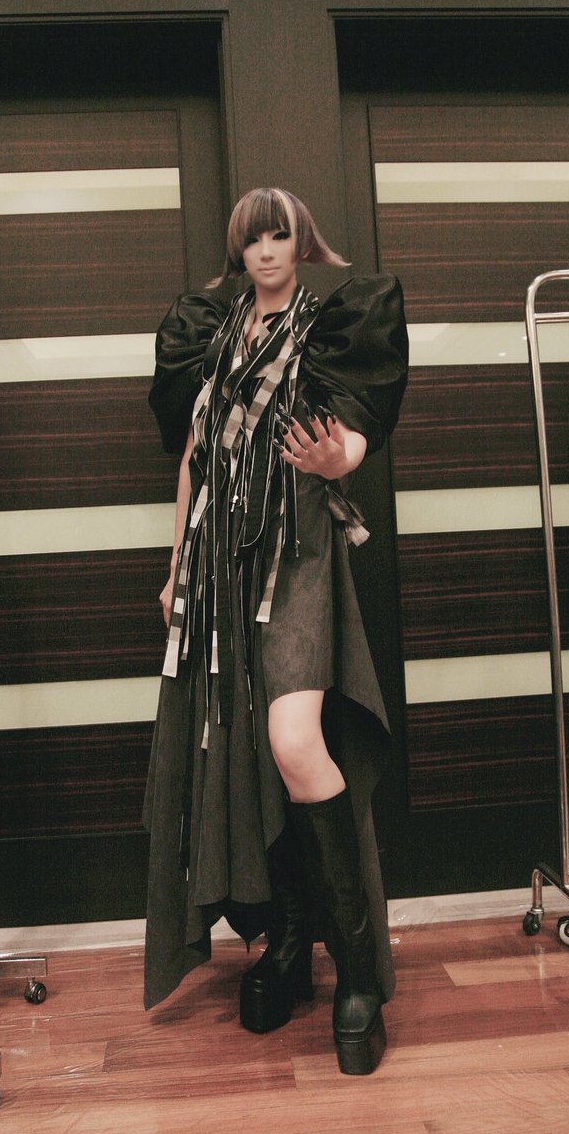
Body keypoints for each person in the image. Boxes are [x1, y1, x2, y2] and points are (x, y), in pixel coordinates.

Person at [144, 187, 408, 1075]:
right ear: (239, 247)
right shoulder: (211, 334)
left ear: (301, 241)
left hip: (295, 558)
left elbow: (353, 435)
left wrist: (334, 458)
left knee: (296, 742)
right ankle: (288, 941)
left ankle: (358, 975)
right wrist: (178, 568)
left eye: (279, 234)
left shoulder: (331, 325)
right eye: (252, 238)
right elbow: (196, 457)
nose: (266, 250)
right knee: (249, 753)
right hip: (218, 563)